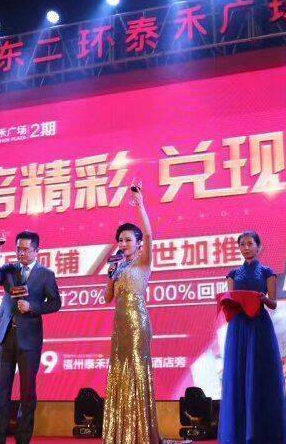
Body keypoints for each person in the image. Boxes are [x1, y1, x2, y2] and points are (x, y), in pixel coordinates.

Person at [0, 231, 62, 444]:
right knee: (1, 390)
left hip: (29, 339)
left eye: (25, 249)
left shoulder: (46, 275)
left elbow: (55, 303)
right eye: (18, 249)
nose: (21, 253)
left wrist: (32, 306)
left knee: (27, 391)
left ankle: (23, 438)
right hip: (6, 335)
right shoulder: (8, 269)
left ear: (36, 250)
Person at [218, 230, 286, 444]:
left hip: (259, 326)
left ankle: (261, 432)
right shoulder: (232, 274)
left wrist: (262, 299)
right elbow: (230, 300)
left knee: (260, 374)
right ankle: (239, 432)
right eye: (242, 245)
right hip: (238, 327)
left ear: (259, 247)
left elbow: (273, 304)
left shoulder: (267, 272)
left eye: (250, 244)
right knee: (238, 375)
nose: (246, 248)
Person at [101, 184, 160, 444]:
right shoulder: (118, 267)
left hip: (137, 324)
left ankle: (141, 434)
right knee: (120, 373)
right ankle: (122, 434)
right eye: (120, 240)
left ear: (138, 244)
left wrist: (140, 205)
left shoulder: (143, 262)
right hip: (120, 326)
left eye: (128, 240)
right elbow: (107, 298)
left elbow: (149, 233)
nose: (123, 244)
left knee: (137, 372)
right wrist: (110, 275)